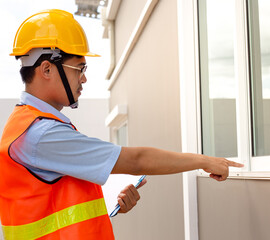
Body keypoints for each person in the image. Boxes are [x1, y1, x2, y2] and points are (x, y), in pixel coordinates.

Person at [0, 9, 243, 240]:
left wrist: (106, 202)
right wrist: (205, 161)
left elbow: (49, 209)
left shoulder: (29, 126)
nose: (84, 78)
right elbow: (136, 160)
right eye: (79, 68)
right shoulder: (41, 134)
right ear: (46, 69)